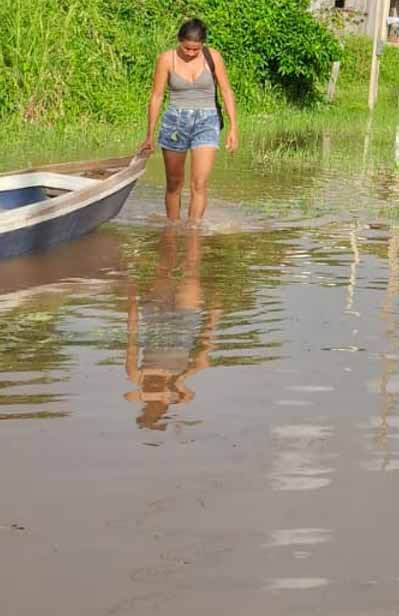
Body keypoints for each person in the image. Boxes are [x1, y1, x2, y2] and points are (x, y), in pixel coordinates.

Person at [140, 18, 238, 222]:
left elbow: (226, 91)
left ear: (203, 44)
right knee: (174, 183)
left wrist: (233, 128)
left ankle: (194, 230)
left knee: (199, 183)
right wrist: (149, 134)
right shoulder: (166, 59)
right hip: (175, 122)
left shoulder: (214, 57)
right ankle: (172, 228)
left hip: (207, 122)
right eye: (187, 48)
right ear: (179, 41)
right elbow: (157, 96)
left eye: (196, 49)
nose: (191, 53)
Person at [125, 223, 220, 430]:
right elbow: (203, 360)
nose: (152, 406)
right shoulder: (177, 385)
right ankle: (193, 230)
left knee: (163, 270)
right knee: (192, 269)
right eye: (155, 411)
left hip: (155, 317)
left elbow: (132, 338)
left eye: (148, 412)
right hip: (186, 320)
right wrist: (213, 316)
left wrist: (132, 304)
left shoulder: (136, 377)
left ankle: (170, 228)